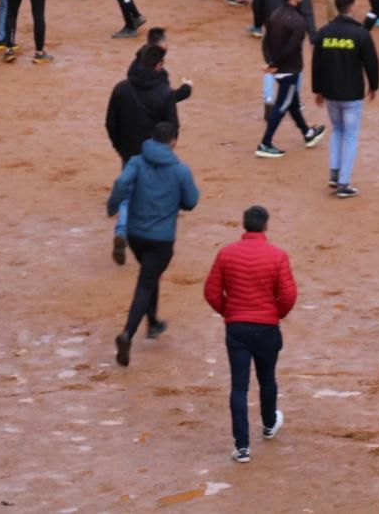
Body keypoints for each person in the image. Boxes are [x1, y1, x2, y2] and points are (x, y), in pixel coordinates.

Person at [203, 205, 297, 464]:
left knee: (239, 386)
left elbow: (211, 292)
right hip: (267, 327)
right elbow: (288, 295)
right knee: (267, 378)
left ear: (244, 225)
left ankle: (242, 446)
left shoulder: (226, 254)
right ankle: (268, 424)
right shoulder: (278, 256)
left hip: (237, 328)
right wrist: (275, 314)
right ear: (265, 226)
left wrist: (229, 312)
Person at [107, 121, 199, 367]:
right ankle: (128, 333)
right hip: (161, 238)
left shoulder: (137, 161)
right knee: (146, 282)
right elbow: (191, 201)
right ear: (173, 142)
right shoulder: (180, 170)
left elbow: (121, 184)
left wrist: (112, 206)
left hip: (136, 235)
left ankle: (153, 322)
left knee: (150, 273)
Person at [104, 44, 190, 264]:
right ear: (158, 66)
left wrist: (119, 146)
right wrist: (170, 146)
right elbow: (172, 124)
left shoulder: (121, 88)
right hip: (157, 150)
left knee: (127, 190)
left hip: (129, 150)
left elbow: (110, 122)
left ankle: (121, 231)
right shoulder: (163, 92)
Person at [310, 0, 379, 198]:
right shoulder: (360, 33)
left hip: (330, 93)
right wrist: (374, 86)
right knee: (350, 135)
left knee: (337, 130)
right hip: (352, 94)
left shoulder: (324, 32)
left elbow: (316, 64)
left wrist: (318, 90)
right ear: (351, 6)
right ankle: (344, 183)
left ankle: (334, 174)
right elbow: (371, 63)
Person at [257, 0, 324, 159]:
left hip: (279, 69)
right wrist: (274, 64)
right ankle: (265, 142)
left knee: (292, 103)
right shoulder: (298, 21)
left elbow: (266, 42)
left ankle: (307, 133)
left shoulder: (275, 14)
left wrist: (270, 62)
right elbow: (291, 49)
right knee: (283, 106)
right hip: (289, 71)